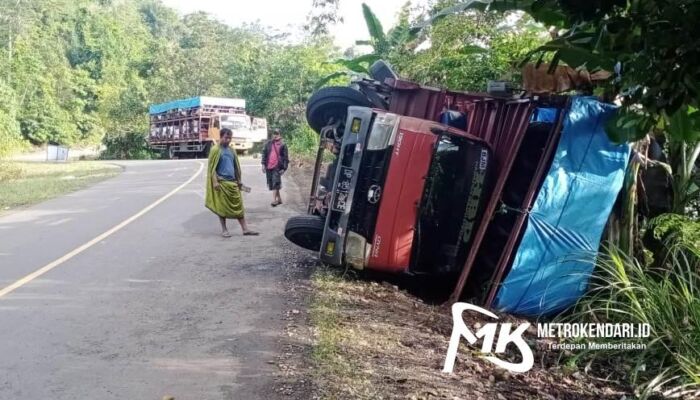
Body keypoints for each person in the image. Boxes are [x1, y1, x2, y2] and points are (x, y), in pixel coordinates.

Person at [205, 128, 259, 237]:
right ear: (221, 137)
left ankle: (245, 229)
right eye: (226, 138)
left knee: (239, 206)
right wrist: (215, 182)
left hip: (233, 183)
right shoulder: (215, 150)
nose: (228, 140)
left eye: (229, 138)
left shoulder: (232, 150)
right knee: (222, 208)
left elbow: (236, 167)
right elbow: (212, 168)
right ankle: (224, 230)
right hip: (222, 183)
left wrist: (239, 181)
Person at [261, 128, 289, 207]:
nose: (275, 135)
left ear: (280, 135)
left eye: (277, 133)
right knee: (273, 183)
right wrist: (263, 165)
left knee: (275, 182)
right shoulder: (268, 144)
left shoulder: (283, 145)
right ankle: (279, 199)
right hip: (269, 166)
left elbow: (286, 158)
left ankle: (274, 200)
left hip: (277, 167)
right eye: (274, 133)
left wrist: (284, 168)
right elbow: (264, 154)